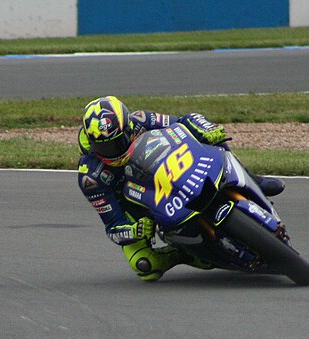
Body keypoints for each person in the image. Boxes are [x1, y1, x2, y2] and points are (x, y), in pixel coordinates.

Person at [77, 95, 284, 282]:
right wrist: (134, 230)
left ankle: (253, 180)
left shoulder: (140, 119)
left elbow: (183, 121)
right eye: (103, 146)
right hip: (137, 207)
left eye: (116, 142)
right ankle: (183, 253)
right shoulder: (91, 177)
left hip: (170, 170)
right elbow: (113, 225)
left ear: (127, 128)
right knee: (145, 266)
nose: (111, 151)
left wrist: (205, 128)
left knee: (214, 140)